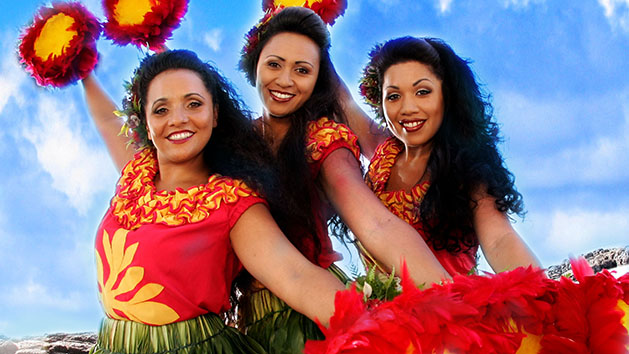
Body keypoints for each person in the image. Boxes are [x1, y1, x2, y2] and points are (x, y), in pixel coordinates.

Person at [86, 49, 345, 354]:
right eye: (161, 110)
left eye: (193, 104)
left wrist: (380, 326)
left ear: (215, 113)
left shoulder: (230, 202)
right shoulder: (137, 173)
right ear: (144, 120)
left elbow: (295, 276)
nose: (178, 119)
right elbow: (106, 120)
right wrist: (80, 67)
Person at [236, 7, 451, 352]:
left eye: (302, 70)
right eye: (274, 64)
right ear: (255, 64)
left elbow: (376, 224)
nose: (286, 81)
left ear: (319, 79)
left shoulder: (324, 140)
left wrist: (453, 303)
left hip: (313, 320)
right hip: (242, 326)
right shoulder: (232, 141)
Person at [352, 36, 540, 276]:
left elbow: (499, 240)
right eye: (394, 96)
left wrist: (543, 298)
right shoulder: (384, 151)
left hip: (448, 309)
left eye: (422, 92)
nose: (407, 108)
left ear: (447, 96)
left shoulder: (468, 171)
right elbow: (341, 99)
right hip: (375, 311)